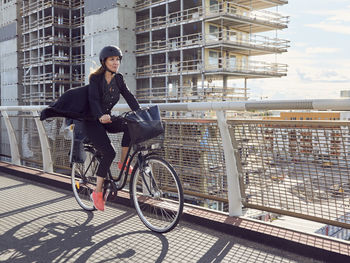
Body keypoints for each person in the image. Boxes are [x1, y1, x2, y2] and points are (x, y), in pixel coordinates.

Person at [86, 45, 140, 211]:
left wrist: (140, 112)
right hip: (93, 120)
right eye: (112, 59)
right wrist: (100, 115)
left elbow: (129, 96)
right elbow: (94, 100)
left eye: (118, 59)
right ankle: (97, 192)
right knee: (109, 152)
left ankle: (122, 163)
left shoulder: (119, 79)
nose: (116, 62)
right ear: (104, 62)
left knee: (130, 125)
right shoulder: (95, 79)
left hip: (107, 118)